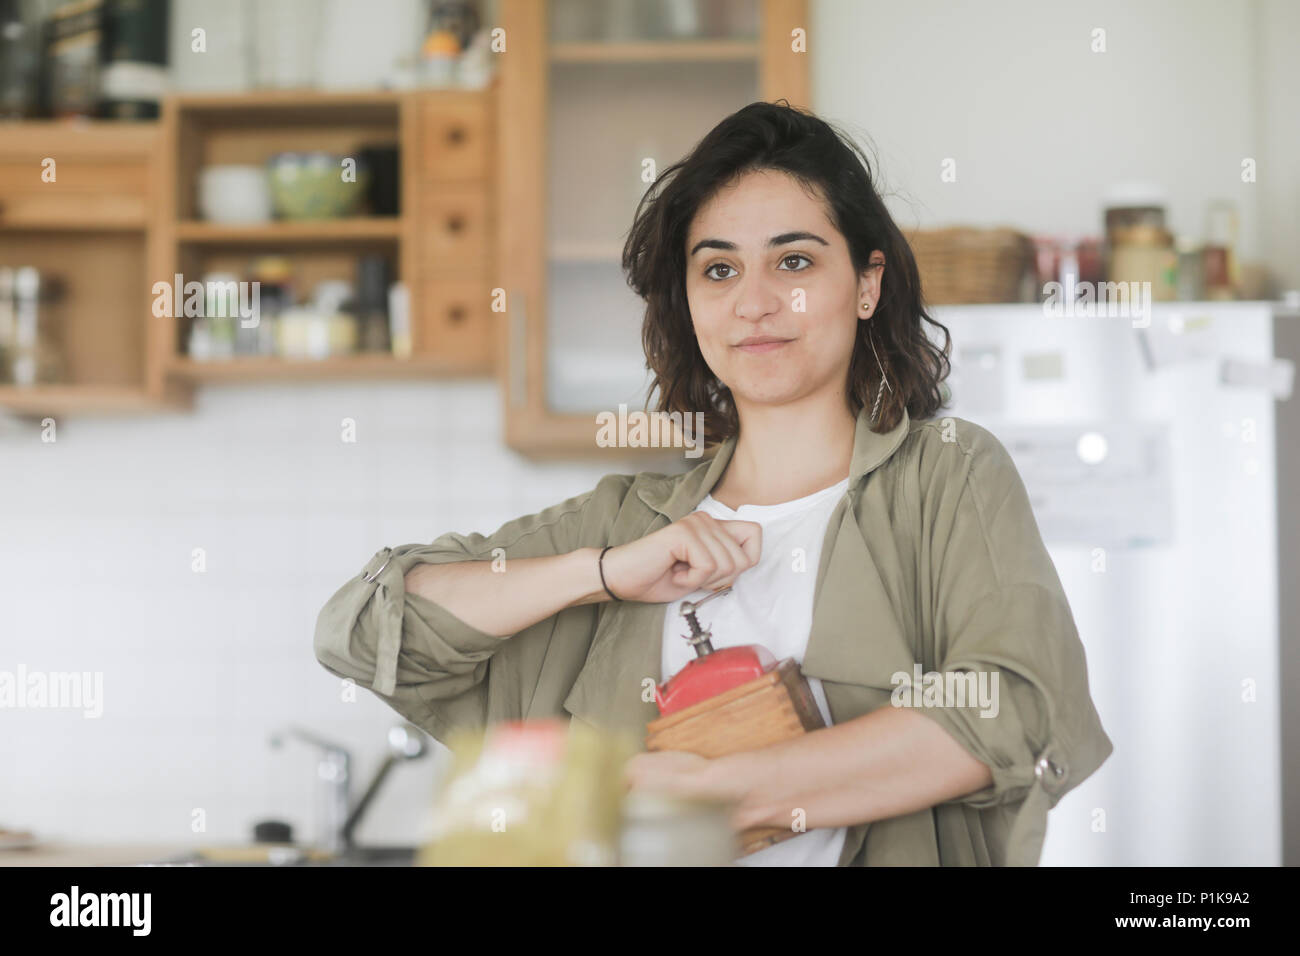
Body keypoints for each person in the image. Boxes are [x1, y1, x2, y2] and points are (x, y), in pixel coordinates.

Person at [314, 101, 1112, 866]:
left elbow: (1014, 706)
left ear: (867, 284)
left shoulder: (948, 475)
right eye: (719, 269)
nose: (755, 303)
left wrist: (721, 793)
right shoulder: (628, 522)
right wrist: (599, 574)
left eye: (794, 261)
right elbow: (364, 629)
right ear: (689, 302)